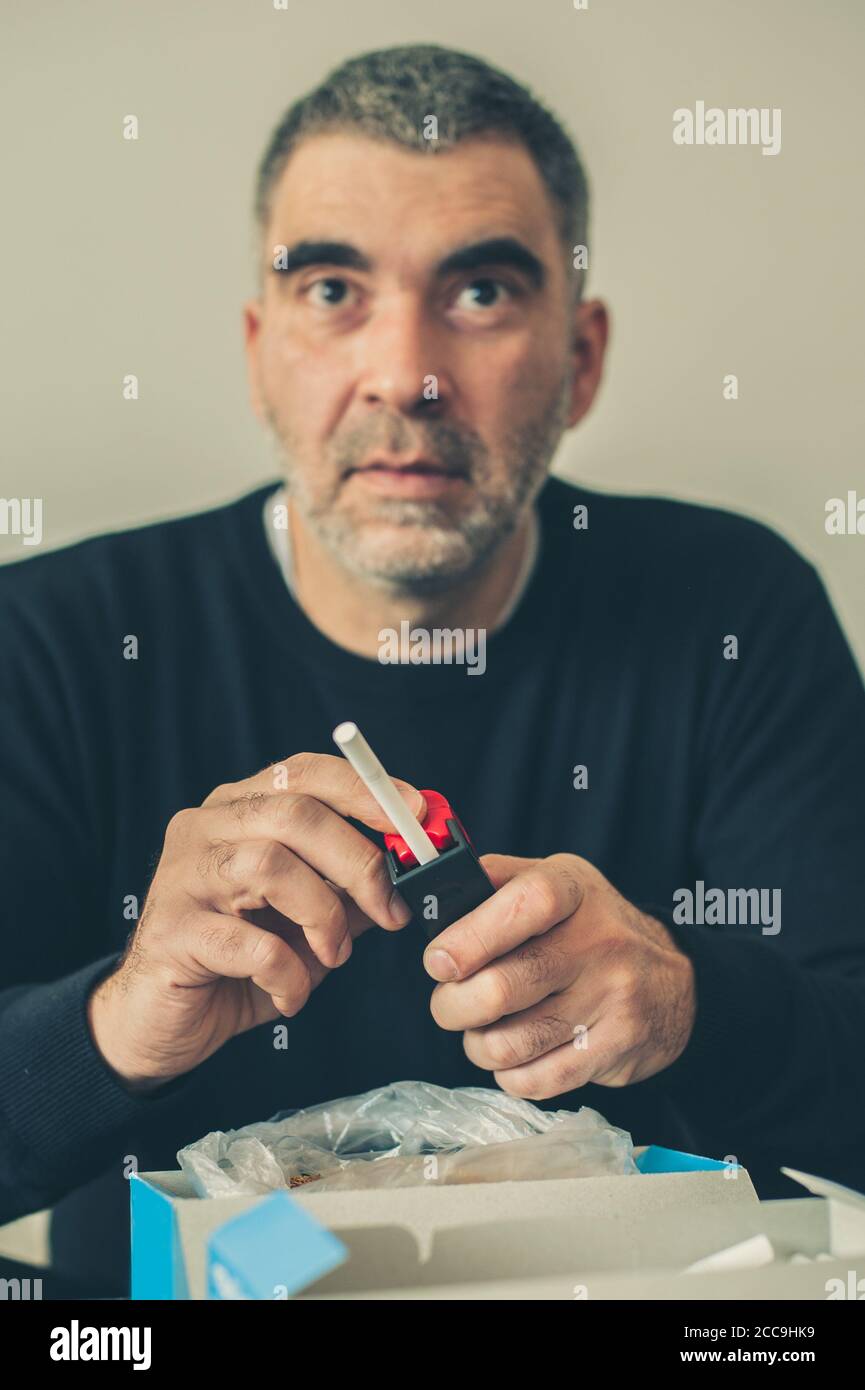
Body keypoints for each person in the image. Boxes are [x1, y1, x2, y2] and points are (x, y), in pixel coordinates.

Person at [2, 44, 863, 1298]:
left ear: (581, 356)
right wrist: (115, 1023)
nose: (404, 374)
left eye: (481, 292)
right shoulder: (52, 639)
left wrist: (688, 1001)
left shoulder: (735, 609)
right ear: (259, 350)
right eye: (334, 288)